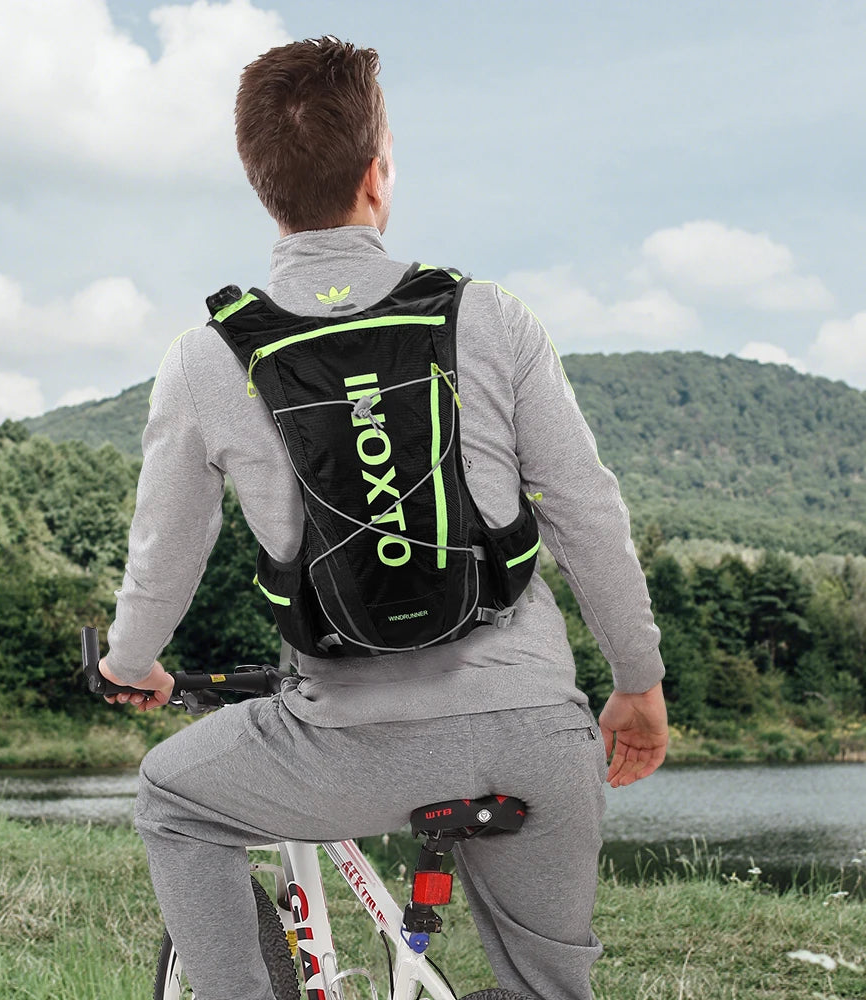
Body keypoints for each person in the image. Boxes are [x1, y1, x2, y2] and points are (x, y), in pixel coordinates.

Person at [99, 36, 668, 1000]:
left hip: (346, 746)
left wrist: (130, 661)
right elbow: (586, 510)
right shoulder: (491, 317)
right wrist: (637, 682)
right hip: (532, 731)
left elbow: (166, 553)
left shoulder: (205, 360)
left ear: (260, 185)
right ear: (378, 172)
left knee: (173, 799)